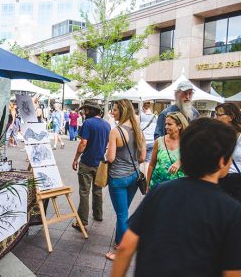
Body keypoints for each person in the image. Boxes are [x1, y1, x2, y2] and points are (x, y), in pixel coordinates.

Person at [111, 118, 241, 277]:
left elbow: (126, 246)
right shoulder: (232, 211)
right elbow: (233, 272)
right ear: (222, 161)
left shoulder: (161, 191)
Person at [105, 99, 146, 261]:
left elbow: (111, 157)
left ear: (122, 111)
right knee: (124, 213)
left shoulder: (115, 131)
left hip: (118, 178)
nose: (112, 113)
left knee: (122, 215)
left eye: (115, 110)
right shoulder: (138, 131)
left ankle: (121, 251)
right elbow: (142, 157)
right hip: (134, 177)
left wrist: (107, 154)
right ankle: (118, 241)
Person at [71, 100, 110, 231]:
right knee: (98, 191)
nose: (83, 112)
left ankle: (82, 221)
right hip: (100, 162)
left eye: (85, 110)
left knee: (84, 192)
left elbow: (83, 143)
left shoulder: (88, 123)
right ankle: (98, 215)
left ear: (90, 110)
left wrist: (76, 158)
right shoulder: (106, 125)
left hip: (87, 162)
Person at [147, 112, 188, 191]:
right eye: (166, 124)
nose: (166, 127)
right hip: (157, 186)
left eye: (169, 124)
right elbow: (152, 164)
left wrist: (179, 162)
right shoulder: (159, 141)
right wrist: (148, 184)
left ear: (179, 126)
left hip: (178, 188)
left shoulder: (187, 142)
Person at [215, 103, 241, 202]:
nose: (216, 117)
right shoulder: (218, 136)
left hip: (238, 181)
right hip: (221, 180)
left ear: (230, 117)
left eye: (219, 115)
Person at [139, 101, 157, 175]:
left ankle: (141, 178)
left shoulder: (140, 116)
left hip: (142, 142)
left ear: (143, 107)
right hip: (152, 142)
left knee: (141, 161)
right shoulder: (156, 117)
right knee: (147, 162)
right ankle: (146, 179)